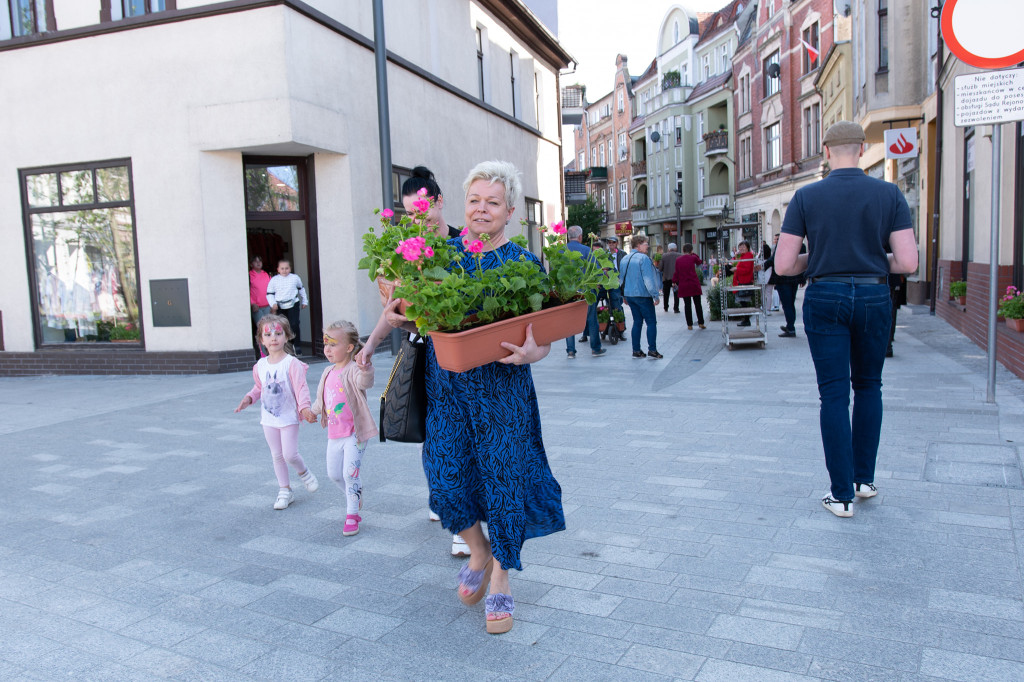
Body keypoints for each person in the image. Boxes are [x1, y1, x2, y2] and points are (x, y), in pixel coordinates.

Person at [380, 160, 564, 634]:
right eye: (475, 200)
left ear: (510, 212)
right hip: (447, 390)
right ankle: (477, 550)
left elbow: (542, 338)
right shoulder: (440, 257)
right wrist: (402, 316)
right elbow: (419, 314)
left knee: (504, 481)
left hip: (503, 393)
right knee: (444, 478)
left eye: (493, 202)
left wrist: (533, 353)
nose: (482, 209)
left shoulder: (524, 264)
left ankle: (501, 573)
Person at [775, 120, 917, 518]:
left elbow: (784, 265)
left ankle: (840, 496)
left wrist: (821, 257)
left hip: (825, 295)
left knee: (834, 394)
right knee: (870, 386)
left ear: (826, 152)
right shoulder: (889, 194)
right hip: (873, 294)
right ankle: (863, 480)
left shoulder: (806, 196)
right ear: (861, 149)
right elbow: (907, 262)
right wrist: (870, 259)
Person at [359, 165, 470, 558]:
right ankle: (441, 493)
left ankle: (461, 523)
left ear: (438, 202)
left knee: (457, 435)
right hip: (423, 352)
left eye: (421, 210)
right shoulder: (405, 251)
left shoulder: (464, 244)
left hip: (459, 352)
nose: (415, 219)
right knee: (434, 434)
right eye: (409, 213)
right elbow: (394, 307)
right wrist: (371, 343)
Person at [235, 314, 318, 510]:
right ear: (261, 340)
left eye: (278, 333)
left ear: (287, 336)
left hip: (288, 417)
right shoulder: (260, 366)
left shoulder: (291, 363)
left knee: (290, 454)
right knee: (277, 455)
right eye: (268, 334)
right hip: (269, 419)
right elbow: (259, 387)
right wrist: (249, 398)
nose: (273, 338)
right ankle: (285, 490)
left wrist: (305, 408)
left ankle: (304, 473)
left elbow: (301, 387)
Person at [310, 320, 375, 536]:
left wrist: (366, 369)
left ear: (349, 347)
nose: (327, 349)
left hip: (355, 434)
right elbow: (322, 398)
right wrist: (313, 411)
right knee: (333, 475)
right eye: (325, 344)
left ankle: (352, 514)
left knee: (349, 474)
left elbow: (365, 383)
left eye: (333, 344)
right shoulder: (327, 372)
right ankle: (354, 493)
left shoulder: (353, 369)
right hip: (334, 434)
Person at [564, 225, 606, 358]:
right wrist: (600, 282)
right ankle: (595, 349)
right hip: (586, 291)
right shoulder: (586, 250)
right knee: (591, 319)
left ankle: (571, 351)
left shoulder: (561, 250)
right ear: (580, 237)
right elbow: (596, 270)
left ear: (568, 237)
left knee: (569, 321)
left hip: (567, 293)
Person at [620, 233, 663, 359]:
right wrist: (655, 295)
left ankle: (636, 350)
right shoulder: (643, 259)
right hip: (642, 295)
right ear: (638, 245)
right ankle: (652, 349)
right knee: (651, 322)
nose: (648, 246)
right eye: (646, 244)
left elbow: (621, 279)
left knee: (637, 322)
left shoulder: (624, 259)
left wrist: (624, 295)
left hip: (629, 295)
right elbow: (648, 279)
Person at [764, 234, 806, 337]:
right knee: (790, 303)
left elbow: (774, 259)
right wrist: (803, 278)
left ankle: (791, 328)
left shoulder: (782, 243)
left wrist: (762, 266)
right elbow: (804, 262)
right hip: (794, 277)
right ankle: (790, 326)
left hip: (783, 278)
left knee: (787, 304)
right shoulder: (801, 244)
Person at [267, 260, 308, 355]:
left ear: (290, 269)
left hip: (293, 303)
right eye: (282, 268)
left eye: (286, 268)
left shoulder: (295, 278)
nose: (284, 270)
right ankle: (286, 346)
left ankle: (296, 345)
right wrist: (273, 304)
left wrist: (305, 301)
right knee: (282, 326)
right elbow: (269, 294)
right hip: (280, 306)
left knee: (294, 324)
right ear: (278, 269)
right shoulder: (274, 280)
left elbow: (301, 289)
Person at [673, 244, 705, 330]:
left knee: (687, 305)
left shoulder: (678, 260)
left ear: (683, 251)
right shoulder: (693, 257)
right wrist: (693, 254)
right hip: (693, 283)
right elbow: (699, 262)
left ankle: (689, 325)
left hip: (684, 284)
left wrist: (674, 281)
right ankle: (701, 322)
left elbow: (677, 272)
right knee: (698, 304)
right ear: (691, 250)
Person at [248, 256, 272, 356]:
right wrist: (252, 303)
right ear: (251, 264)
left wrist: (272, 303)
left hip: (267, 306)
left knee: (269, 329)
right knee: (261, 329)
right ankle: (262, 353)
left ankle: (270, 352)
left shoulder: (266, 274)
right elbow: (247, 290)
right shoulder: (249, 275)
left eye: (260, 261)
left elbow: (271, 289)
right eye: (255, 261)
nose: (258, 263)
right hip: (257, 307)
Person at [731, 241, 756, 326]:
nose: (741, 248)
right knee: (743, 302)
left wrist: (736, 269)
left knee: (744, 301)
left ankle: (746, 320)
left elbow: (747, 270)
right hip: (741, 281)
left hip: (744, 281)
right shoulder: (743, 256)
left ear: (747, 248)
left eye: (743, 247)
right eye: (740, 247)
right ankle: (746, 319)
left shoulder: (748, 256)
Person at [659, 243, 682, 313]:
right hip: (676, 278)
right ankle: (676, 308)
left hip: (666, 277)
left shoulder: (664, 256)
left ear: (668, 249)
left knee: (666, 293)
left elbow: (660, 268)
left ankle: (666, 307)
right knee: (676, 293)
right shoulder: (680, 255)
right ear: (675, 248)